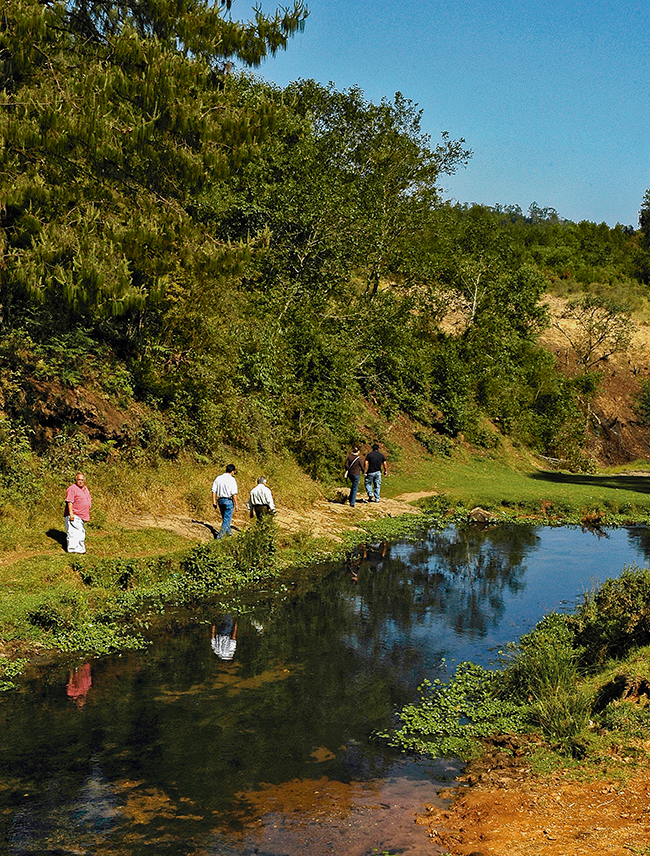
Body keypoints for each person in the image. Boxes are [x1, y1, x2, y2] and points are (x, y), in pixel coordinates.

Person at [64, 472, 92, 553]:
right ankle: (73, 550)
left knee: (80, 533)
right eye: (79, 480)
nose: (81, 481)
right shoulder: (72, 489)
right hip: (74, 514)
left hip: (81, 515)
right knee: (73, 533)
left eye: (82, 480)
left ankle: (80, 549)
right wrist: (71, 514)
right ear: (75, 480)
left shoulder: (85, 488)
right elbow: (69, 502)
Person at [211, 464, 239, 538]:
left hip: (220, 501)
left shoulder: (218, 478)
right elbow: (234, 494)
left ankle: (229, 534)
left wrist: (214, 501)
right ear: (232, 471)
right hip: (228, 501)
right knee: (227, 520)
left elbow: (213, 490)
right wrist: (236, 504)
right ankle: (219, 538)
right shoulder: (232, 479)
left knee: (225, 519)